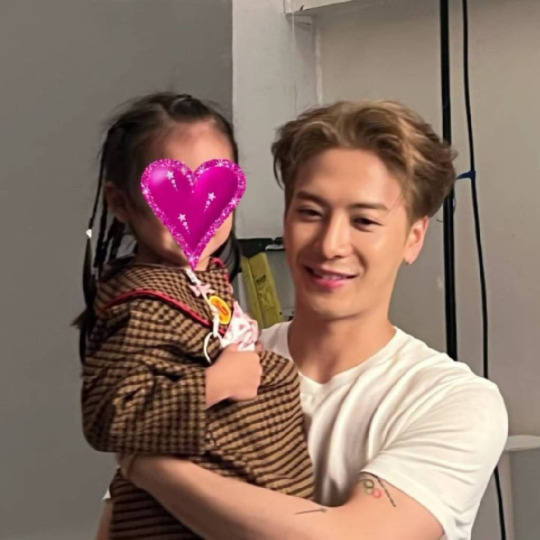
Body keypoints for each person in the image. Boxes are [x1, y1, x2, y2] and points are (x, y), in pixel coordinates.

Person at [99, 99, 508, 540]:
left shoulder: (452, 402)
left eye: (364, 221)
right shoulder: (209, 358)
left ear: (414, 238)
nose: (330, 245)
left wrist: (149, 465)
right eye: (310, 213)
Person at [79, 92, 313, 540]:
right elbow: (107, 416)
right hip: (178, 524)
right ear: (121, 203)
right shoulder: (141, 305)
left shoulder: (203, 278)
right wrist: (214, 383)